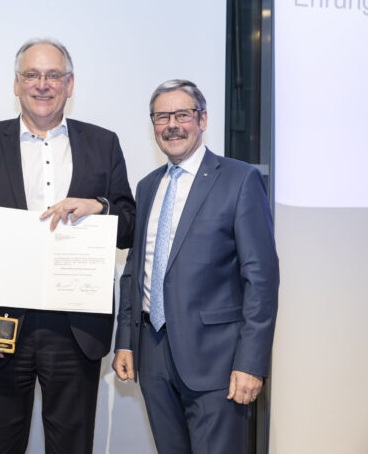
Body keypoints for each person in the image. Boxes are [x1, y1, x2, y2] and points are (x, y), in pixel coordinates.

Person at [0, 38, 135, 454]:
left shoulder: (103, 143)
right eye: (31, 75)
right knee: (0, 444)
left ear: (70, 85)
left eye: (53, 75)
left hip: (76, 329)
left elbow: (127, 225)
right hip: (2, 324)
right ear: (15, 84)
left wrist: (100, 206)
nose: (42, 85)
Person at [112, 79, 279, 453]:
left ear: (202, 119)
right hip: (153, 356)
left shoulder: (239, 179)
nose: (172, 124)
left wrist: (251, 362)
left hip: (217, 362)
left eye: (182, 114)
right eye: (161, 116)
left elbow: (261, 280)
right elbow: (134, 269)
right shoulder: (147, 186)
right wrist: (125, 342)